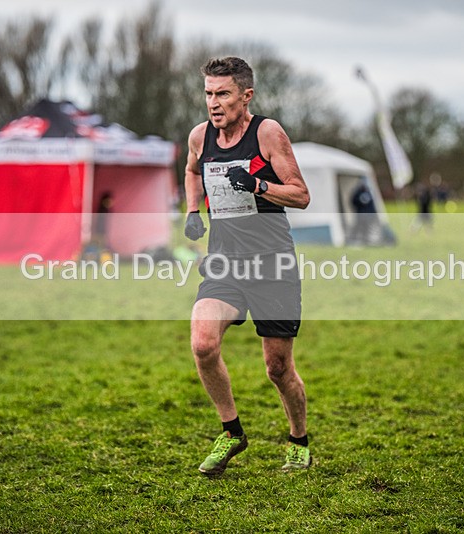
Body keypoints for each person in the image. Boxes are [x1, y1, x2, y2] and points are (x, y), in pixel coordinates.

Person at [183, 56, 312, 476]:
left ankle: (298, 439)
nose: (214, 103)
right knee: (203, 343)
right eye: (208, 94)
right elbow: (190, 170)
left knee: (277, 368)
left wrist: (257, 185)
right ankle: (232, 431)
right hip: (224, 264)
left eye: (223, 94)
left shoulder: (267, 132)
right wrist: (192, 210)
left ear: (246, 95)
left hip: (273, 266)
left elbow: (300, 194)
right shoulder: (200, 136)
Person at [348, 176, 380, 245]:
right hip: (361, 214)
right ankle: (352, 240)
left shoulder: (370, 192)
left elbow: (372, 205)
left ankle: (366, 241)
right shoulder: (357, 192)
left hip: (368, 215)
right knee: (357, 228)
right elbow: (353, 202)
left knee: (367, 229)